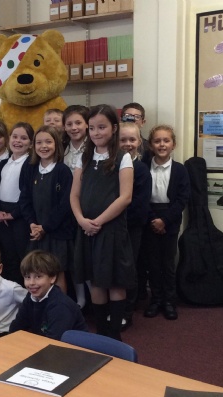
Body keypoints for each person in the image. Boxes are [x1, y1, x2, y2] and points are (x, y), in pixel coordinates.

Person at [70, 104, 135, 341]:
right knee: (95, 280)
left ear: (114, 128)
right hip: (87, 229)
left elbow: (125, 197)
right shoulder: (84, 157)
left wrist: (97, 221)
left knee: (114, 281)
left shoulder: (122, 157)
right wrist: (81, 220)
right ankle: (101, 333)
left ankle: (115, 334)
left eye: (102, 127)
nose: (96, 132)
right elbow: (74, 195)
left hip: (111, 229)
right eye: (92, 128)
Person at [19, 125, 76, 294]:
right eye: (39, 142)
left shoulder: (62, 171)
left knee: (56, 273)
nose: (43, 146)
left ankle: (59, 308)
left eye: (48, 142)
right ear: (33, 145)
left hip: (57, 233)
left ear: (56, 144)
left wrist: (45, 227)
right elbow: (25, 198)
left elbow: (65, 205)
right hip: (35, 232)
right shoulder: (30, 168)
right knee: (35, 272)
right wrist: (32, 224)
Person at [143, 125, 190, 320]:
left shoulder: (180, 170)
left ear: (173, 144)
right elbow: (140, 196)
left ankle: (169, 301)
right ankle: (156, 299)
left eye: (166, 141)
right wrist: (153, 219)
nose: (162, 144)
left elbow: (182, 198)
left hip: (170, 218)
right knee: (153, 262)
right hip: (149, 216)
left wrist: (164, 220)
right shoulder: (144, 167)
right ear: (151, 145)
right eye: (157, 141)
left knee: (168, 262)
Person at [0, 122, 33, 285]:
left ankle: (25, 289)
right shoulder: (3, 164)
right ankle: (10, 289)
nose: (18, 141)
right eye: (15, 137)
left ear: (31, 143)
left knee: (22, 255)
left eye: (23, 138)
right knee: (7, 255)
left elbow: (28, 194)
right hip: (2, 214)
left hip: (20, 215)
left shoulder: (30, 164)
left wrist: (13, 214)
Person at [10, 250, 88, 340]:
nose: (31, 283)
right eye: (27, 277)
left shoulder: (60, 305)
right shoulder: (30, 297)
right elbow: (16, 327)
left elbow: (54, 341)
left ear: (52, 278)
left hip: (70, 347)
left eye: (38, 277)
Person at [118, 122, 152, 330]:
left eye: (132, 139)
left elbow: (139, 206)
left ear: (139, 142)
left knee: (128, 269)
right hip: (110, 227)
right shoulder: (112, 165)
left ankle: (126, 312)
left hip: (130, 227)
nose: (128, 144)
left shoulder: (140, 169)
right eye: (123, 139)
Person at [62, 105, 89, 308]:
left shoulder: (94, 147)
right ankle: (80, 300)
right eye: (69, 123)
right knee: (72, 257)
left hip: (87, 206)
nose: (74, 127)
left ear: (87, 124)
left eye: (78, 122)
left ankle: (95, 300)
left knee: (86, 256)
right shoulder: (62, 147)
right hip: (66, 207)